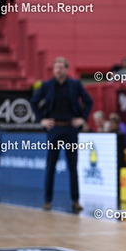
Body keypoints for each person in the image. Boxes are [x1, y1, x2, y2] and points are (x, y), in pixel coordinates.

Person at [30, 57, 93, 214]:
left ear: (66, 69)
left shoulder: (75, 84)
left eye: (61, 67)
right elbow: (33, 102)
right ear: (53, 70)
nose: (58, 70)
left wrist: (83, 118)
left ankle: (75, 200)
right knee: (51, 165)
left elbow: (89, 101)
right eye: (56, 67)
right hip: (54, 128)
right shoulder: (47, 85)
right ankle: (48, 200)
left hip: (70, 128)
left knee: (73, 166)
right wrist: (41, 120)